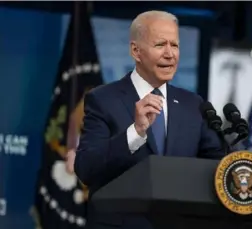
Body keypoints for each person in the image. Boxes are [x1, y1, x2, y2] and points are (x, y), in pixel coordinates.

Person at [74, 10, 227, 229]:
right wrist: (135, 132)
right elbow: (86, 168)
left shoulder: (193, 105)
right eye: (160, 45)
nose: (170, 54)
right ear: (136, 51)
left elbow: (214, 166)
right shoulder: (103, 100)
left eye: (174, 45)